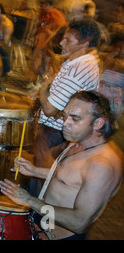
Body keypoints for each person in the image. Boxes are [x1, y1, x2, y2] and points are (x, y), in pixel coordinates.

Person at [0, 91, 122, 240]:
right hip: (41, 226)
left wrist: (29, 200)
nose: (65, 123)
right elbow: (68, 177)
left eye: (75, 119)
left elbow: (79, 222)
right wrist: (35, 171)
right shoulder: (78, 140)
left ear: (97, 123)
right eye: (65, 116)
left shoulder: (102, 165)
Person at [31, 20, 102, 195]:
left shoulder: (78, 69)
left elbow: (49, 109)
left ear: (85, 43)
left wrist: (42, 90)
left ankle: (35, 217)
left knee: (39, 185)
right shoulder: (78, 63)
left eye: (68, 39)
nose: (62, 43)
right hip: (56, 132)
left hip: (54, 134)